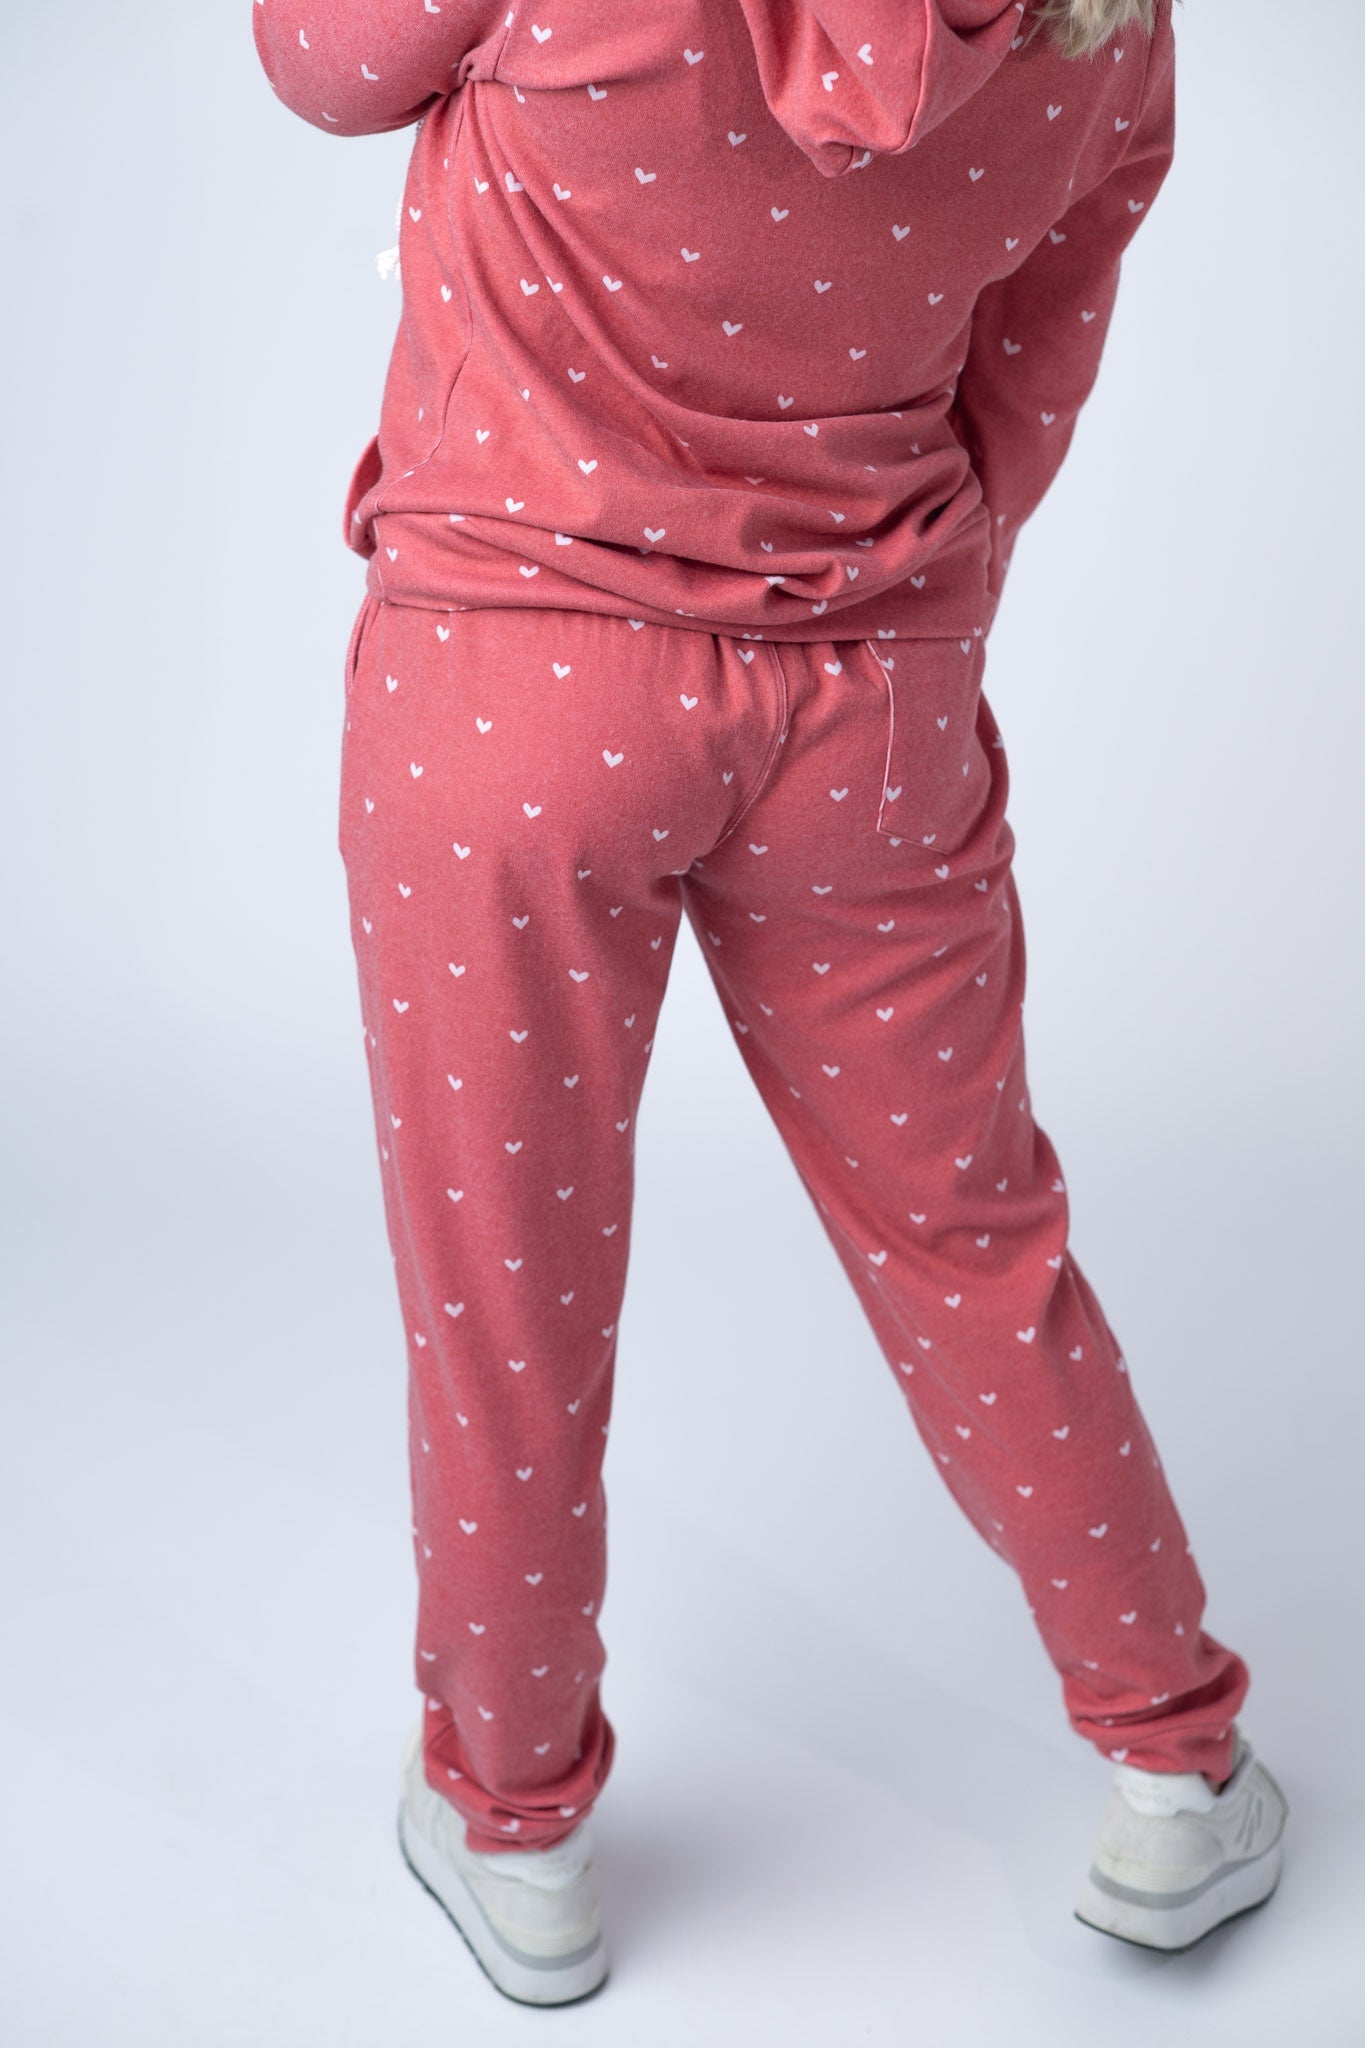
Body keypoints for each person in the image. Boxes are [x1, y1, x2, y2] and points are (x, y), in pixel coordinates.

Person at [252, 0, 1288, 2004]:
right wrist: (897, 564)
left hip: (513, 682)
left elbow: (314, 62)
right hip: (865, 693)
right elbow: (1042, 330)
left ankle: (513, 1824)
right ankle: (1176, 1760)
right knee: (970, 1245)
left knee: (505, 1285)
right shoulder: (1103, 21)